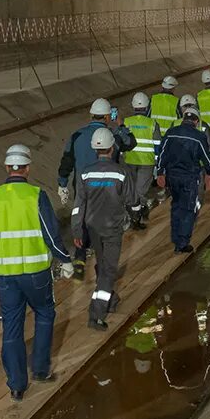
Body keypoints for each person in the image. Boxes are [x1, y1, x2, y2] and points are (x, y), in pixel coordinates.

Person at [0, 144, 75, 402]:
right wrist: (64, 260)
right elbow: (50, 233)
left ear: (7, 167)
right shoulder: (36, 195)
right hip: (35, 273)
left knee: (11, 326)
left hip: (5, 277)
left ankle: (17, 386)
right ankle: (40, 370)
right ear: (28, 168)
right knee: (44, 314)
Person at [57, 97, 137, 273]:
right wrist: (121, 124)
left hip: (82, 185)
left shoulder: (76, 136)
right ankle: (101, 262)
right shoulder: (113, 137)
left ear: (91, 115)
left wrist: (62, 183)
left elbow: (67, 161)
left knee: (82, 216)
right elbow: (131, 142)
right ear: (108, 117)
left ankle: (80, 256)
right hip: (108, 188)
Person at [74, 127, 139, 331]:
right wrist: (137, 213)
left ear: (96, 150)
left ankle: (110, 299)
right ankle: (97, 314)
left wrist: (77, 230)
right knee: (108, 271)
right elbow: (132, 200)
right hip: (113, 229)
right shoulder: (121, 173)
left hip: (92, 229)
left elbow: (78, 205)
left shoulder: (85, 173)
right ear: (112, 148)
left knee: (103, 265)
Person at [155, 100, 210, 253]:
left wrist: (160, 172)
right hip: (189, 178)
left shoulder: (171, 133)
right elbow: (205, 157)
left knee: (176, 206)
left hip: (172, 177)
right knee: (188, 209)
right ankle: (182, 243)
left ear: (184, 119)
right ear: (196, 121)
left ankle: (176, 237)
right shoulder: (198, 136)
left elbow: (162, 154)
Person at [120, 92, 159, 230]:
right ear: (147, 107)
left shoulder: (126, 122)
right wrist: (157, 166)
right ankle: (135, 218)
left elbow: (121, 142)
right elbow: (157, 145)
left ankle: (129, 217)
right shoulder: (152, 123)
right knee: (140, 192)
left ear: (133, 105)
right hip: (147, 163)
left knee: (130, 191)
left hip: (130, 161)